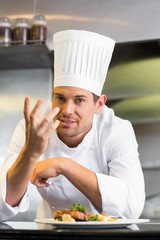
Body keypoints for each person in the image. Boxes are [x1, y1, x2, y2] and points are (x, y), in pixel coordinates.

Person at [0, 30, 145, 222]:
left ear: (99, 105)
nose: (67, 110)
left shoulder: (116, 131)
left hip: (107, 233)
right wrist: (30, 153)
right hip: (50, 233)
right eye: (60, 98)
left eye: (79, 100)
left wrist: (64, 165)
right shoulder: (33, 127)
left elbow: (131, 207)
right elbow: (3, 207)